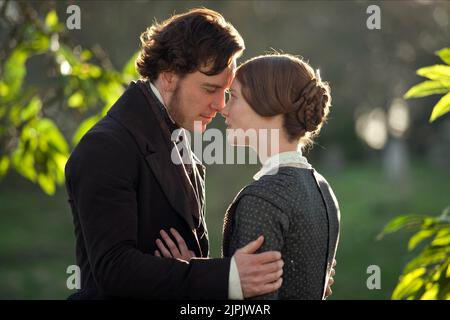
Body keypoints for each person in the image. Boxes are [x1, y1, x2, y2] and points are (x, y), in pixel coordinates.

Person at [64, 8, 284, 300]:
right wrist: (227, 276)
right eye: (210, 88)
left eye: (226, 91)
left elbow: (187, 273)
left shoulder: (180, 145)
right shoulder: (105, 147)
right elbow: (114, 271)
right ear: (168, 76)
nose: (220, 104)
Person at [156, 53, 340, 299]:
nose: (223, 108)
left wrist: (195, 279)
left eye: (233, 97)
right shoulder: (324, 190)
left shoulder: (262, 200)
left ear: (267, 105)